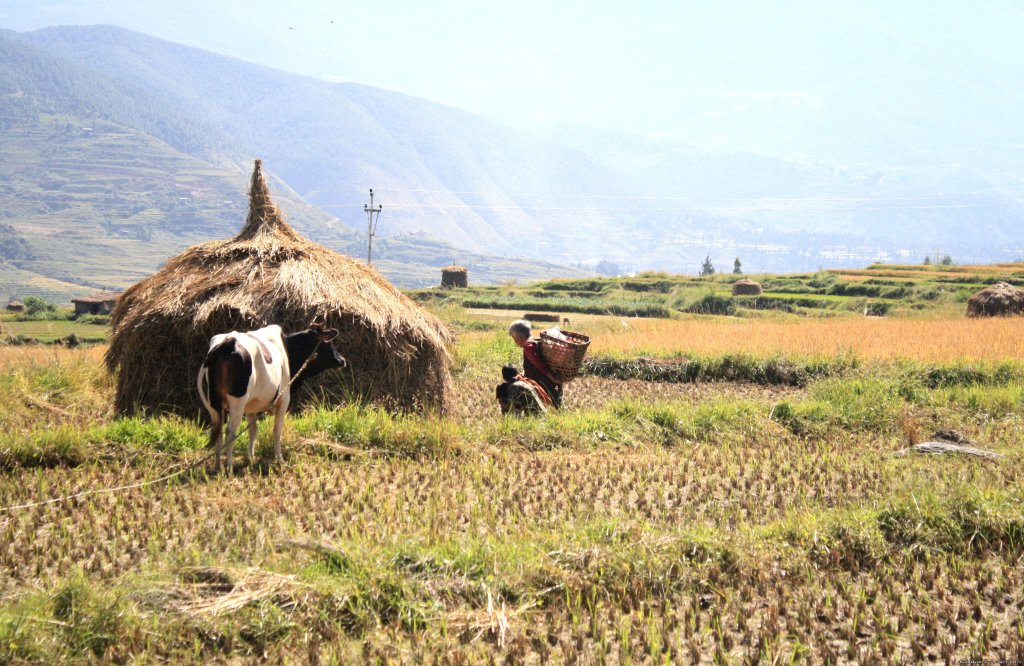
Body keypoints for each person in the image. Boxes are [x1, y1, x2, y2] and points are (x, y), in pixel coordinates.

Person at [507, 319, 563, 408]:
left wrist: (553, 379)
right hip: (549, 386)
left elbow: (541, 366)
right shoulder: (536, 341)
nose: (514, 341)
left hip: (540, 387)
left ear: (519, 337)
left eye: (514, 338)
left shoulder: (528, 347)